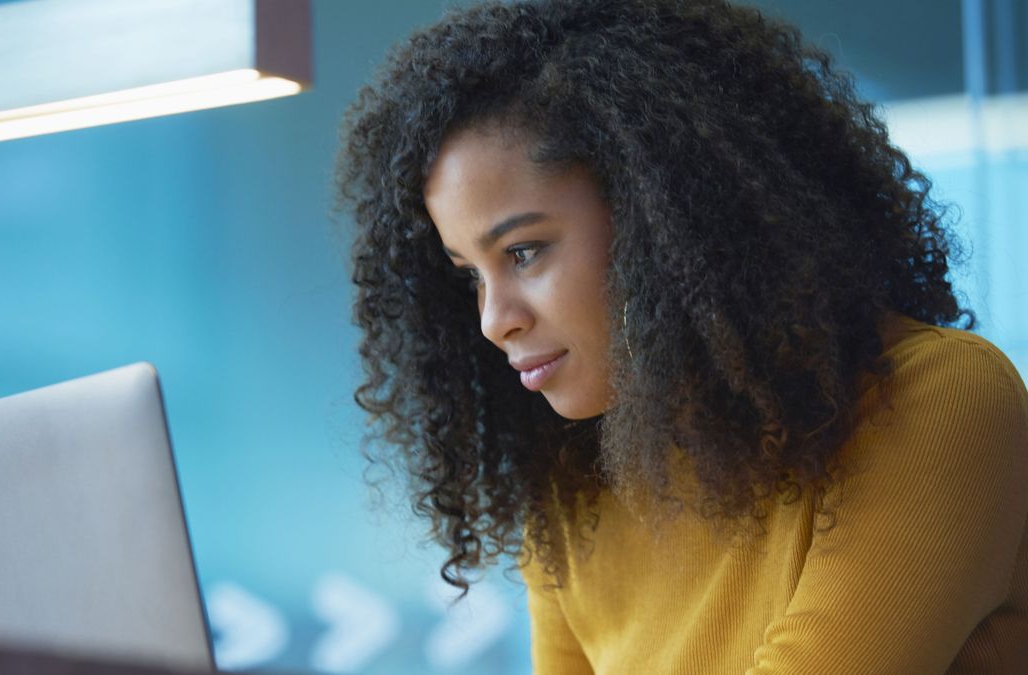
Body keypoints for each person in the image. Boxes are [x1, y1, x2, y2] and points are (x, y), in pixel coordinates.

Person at [333, 0, 1028, 672]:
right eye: (469, 276)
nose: (493, 319)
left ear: (659, 222)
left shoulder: (939, 401)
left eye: (523, 252)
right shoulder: (574, 484)